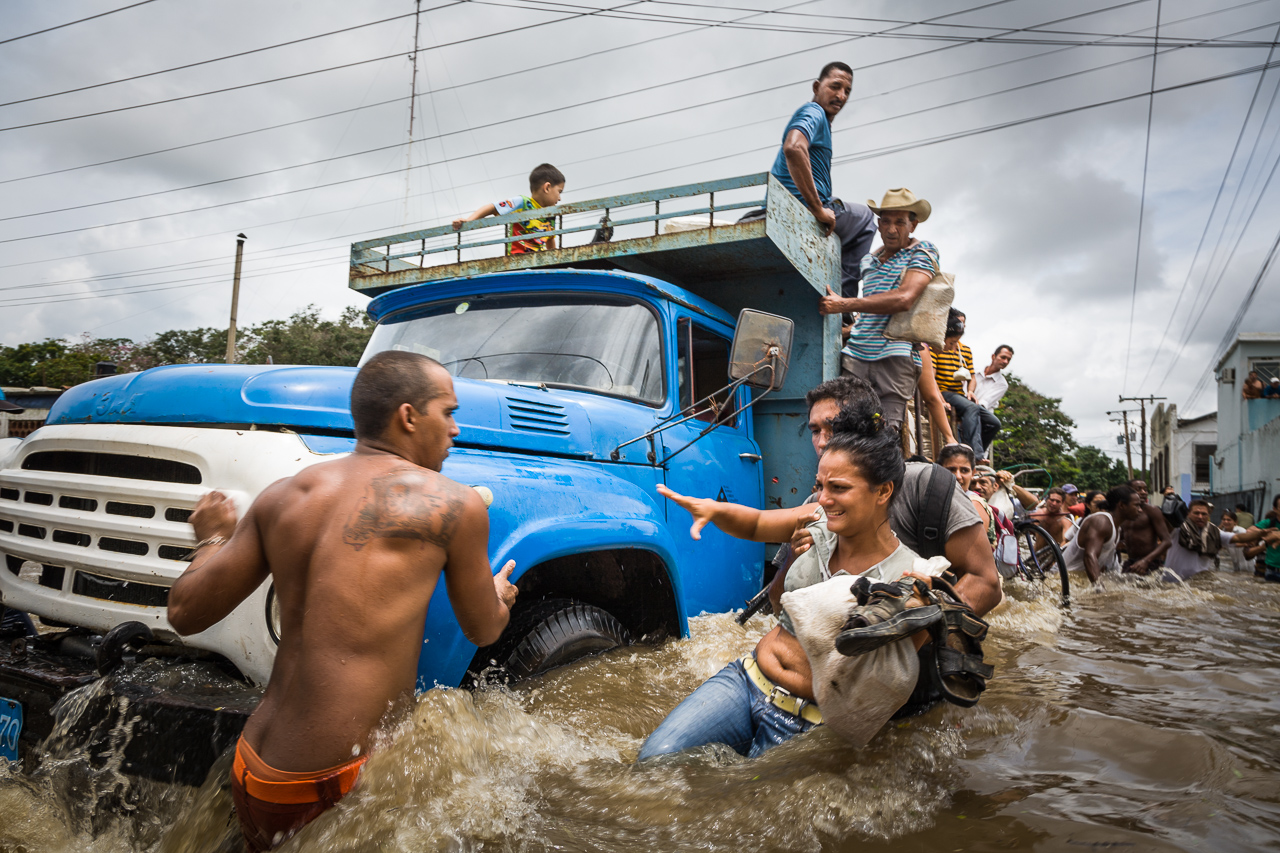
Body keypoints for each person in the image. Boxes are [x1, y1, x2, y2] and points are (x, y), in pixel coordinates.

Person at [166, 352, 519, 852]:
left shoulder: (285, 495)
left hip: (252, 766)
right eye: (448, 412)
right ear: (409, 416)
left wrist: (213, 539)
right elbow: (484, 628)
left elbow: (184, 613)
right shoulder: (453, 504)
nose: (456, 430)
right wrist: (499, 594)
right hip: (334, 781)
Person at [639, 395, 998, 760]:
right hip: (745, 681)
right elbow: (758, 523)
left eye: (839, 488)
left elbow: (884, 677)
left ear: (883, 491)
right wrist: (713, 510)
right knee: (655, 760)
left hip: (807, 723)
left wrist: (917, 606)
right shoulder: (818, 523)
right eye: (820, 485)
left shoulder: (911, 576)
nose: (823, 498)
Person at [818, 188, 937, 433]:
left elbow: (904, 299)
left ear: (912, 225)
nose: (892, 229)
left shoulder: (923, 252)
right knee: (848, 430)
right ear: (879, 224)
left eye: (900, 222)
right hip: (856, 356)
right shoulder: (868, 261)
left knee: (886, 432)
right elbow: (874, 309)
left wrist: (844, 304)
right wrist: (848, 327)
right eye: (886, 222)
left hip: (894, 357)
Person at [764, 61, 875, 299]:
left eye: (847, 91)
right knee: (865, 218)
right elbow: (793, 148)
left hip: (785, 203)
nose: (841, 95)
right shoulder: (813, 112)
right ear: (817, 86)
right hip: (802, 206)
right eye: (835, 86)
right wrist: (817, 209)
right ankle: (844, 301)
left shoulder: (820, 120)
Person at [931, 311, 999, 464]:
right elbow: (932, 378)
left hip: (959, 394)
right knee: (971, 408)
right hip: (944, 391)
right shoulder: (938, 347)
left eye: (963, 324)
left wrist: (970, 391)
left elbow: (972, 377)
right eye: (958, 323)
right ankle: (976, 456)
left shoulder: (965, 350)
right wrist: (941, 400)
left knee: (993, 422)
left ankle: (972, 449)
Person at [452, 163, 565, 254]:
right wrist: (469, 220)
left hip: (540, 260)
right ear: (547, 187)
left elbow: (550, 239)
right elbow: (492, 207)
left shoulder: (550, 214)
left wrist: (553, 257)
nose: (559, 198)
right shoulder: (522, 202)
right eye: (559, 192)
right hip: (518, 258)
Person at [1063, 485, 1144, 584]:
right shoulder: (1101, 521)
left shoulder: (1117, 528)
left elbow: (1102, 564)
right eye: (1136, 505)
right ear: (1122, 505)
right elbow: (1090, 556)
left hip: (1081, 580)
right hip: (1064, 579)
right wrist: (1099, 589)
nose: (1140, 510)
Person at [1162, 499, 1235, 581]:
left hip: (1197, 583)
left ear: (1208, 515)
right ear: (1188, 513)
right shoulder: (1177, 528)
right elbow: (1164, 520)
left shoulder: (1214, 531)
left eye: (1204, 514)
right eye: (1196, 513)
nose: (1200, 516)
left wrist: (1252, 535)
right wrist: (1168, 499)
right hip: (1171, 582)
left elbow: (1238, 538)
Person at [937, 444, 994, 548]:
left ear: (973, 473)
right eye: (951, 469)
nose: (958, 476)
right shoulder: (939, 499)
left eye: (964, 470)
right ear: (939, 470)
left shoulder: (974, 504)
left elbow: (973, 549)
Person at [1118, 479, 1171, 575]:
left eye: (1145, 490)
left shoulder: (1152, 511)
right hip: (1131, 562)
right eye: (1138, 489)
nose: (1143, 492)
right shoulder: (1124, 513)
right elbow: (1120, 538)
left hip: (1150, 563)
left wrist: (1146, 561)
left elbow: (1167, 541)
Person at [915, 342, 957, 449]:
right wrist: (950, 437)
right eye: (951, 343)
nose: (952, 349)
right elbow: (931, 398)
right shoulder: (920, 348)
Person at [974, 345, 1013, 414]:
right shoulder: (974, 371)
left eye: (1008, 359)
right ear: (993, 356)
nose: (1005, 362)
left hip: (979, 416)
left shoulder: (1002, 384)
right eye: (1003, 357)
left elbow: (983, 403)